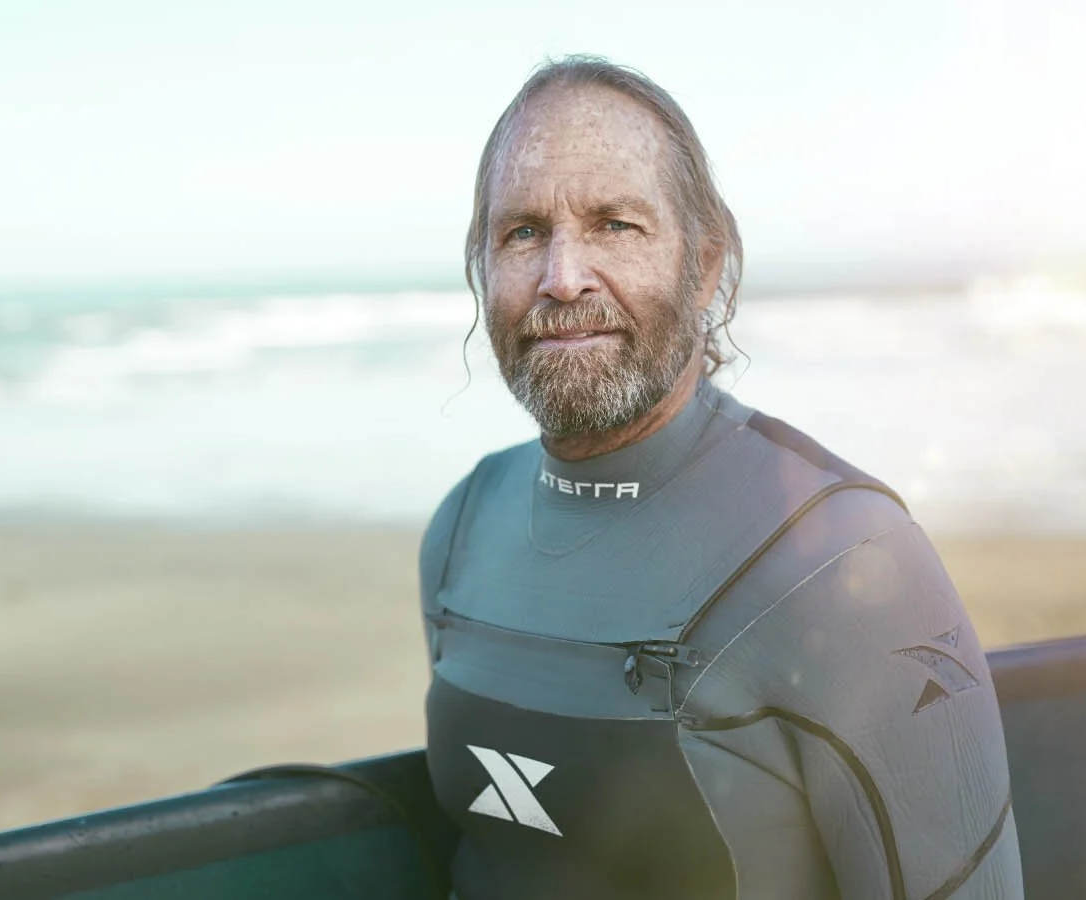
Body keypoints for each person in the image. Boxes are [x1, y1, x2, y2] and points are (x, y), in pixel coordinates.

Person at [419, 55, 1024, 900]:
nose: (561, 276)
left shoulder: (844, 561)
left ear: (705, 265)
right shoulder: (462, 529)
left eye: (615, 225)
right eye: (522, 232)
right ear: (485, 268)